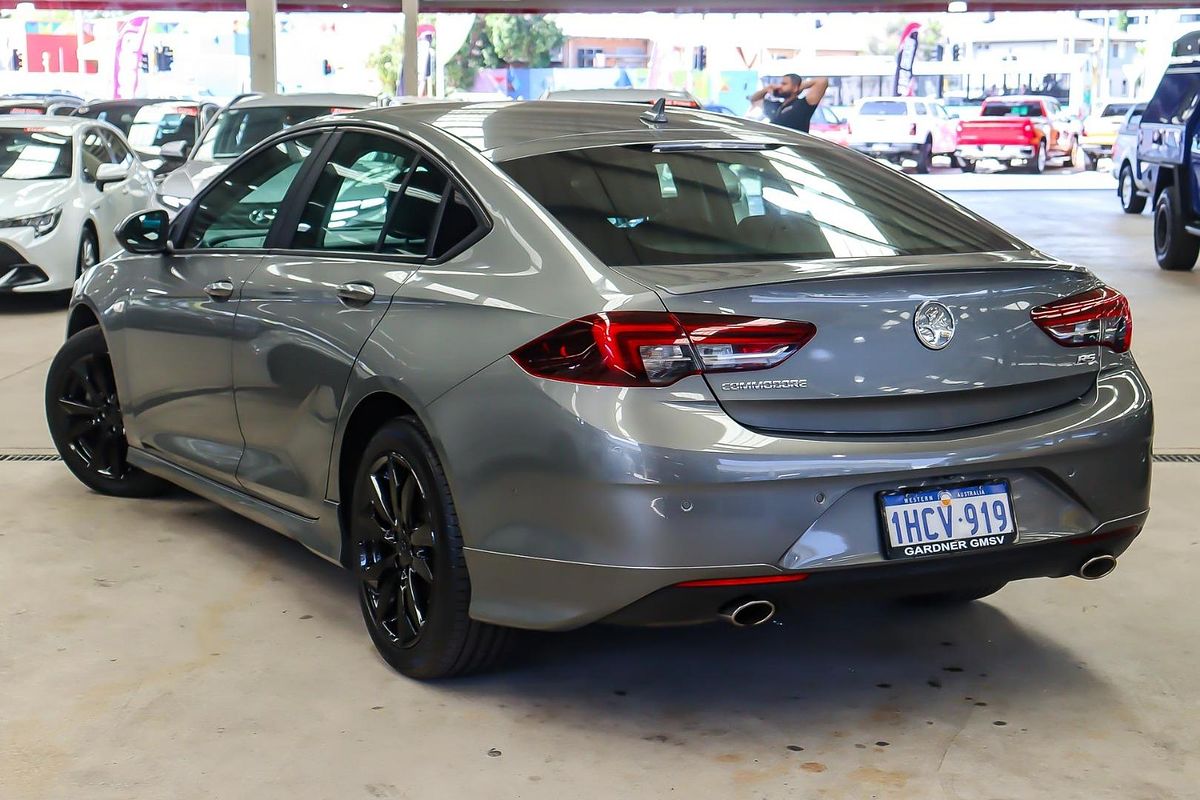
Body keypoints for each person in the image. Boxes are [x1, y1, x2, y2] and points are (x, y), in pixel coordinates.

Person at [749, 73, 830, 134]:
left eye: (784, 84)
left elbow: (822, 81)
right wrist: (767, 89)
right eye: (780, 83)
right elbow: (754, 99)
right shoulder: (775, 106)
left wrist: (799, 87)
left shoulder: (802, 105)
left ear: (795, 87)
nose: (779, 86)